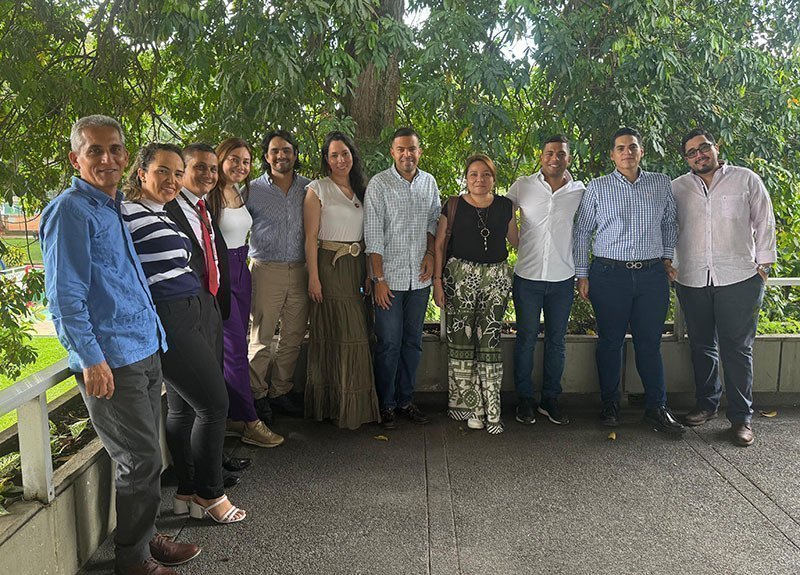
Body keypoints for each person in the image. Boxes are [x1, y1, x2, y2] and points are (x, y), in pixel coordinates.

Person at [40, 115, 200, 575]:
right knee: (140, 459)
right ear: (76, 159)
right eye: (95, 150)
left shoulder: (112, 207)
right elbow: (65, 298)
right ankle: (132, 559)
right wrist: (91, 359)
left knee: (146, 456)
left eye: (114, 149)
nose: (107, 158)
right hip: (112, 359)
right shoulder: (70, 211)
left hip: (144, 347)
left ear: (126, 157)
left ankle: (145, 539)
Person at [122, 142, 246, 524]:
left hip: (193, 307)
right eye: (163, 171)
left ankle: (188, 492)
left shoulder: (159, 211)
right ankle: (210, 495)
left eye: (177, 173)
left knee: (188, 405)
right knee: (214, 404)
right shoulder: (124, 213)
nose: (172, 180)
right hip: (169, 315)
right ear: (141, 172)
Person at [573, 127, 685, 435]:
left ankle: (657, 408)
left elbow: (670, 223)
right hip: (609, 275)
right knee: (610, 342)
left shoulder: (660, 183)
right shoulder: (598, 187)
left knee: (649, 343)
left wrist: (667, 258)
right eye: (621, 148)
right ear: (612, 155)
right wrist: (582, 274)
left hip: (652, 275)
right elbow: (582, 232)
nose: (627, 152)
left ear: (641, 151)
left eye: (632, 147)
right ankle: (610, 404)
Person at [670, 128, 776, 446]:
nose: (699, 155)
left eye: (703, 148)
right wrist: (669, 263)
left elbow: (764, 220)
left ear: (716, 147)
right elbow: (667, 227)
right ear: (686, 158)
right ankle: (706, 405)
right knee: (701, 345)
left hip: (739, 278)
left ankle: (742, 419)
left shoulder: (745, 179)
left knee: (737, 349)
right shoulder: (677, 188)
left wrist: (764, 265)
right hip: (692, 278)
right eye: (691, 152)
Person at [203, 139, 285, 447]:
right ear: (220, 159)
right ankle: (250, 421)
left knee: (237, 345)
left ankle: (233, 417)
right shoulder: (208, 197)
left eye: (246, 161)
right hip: (222, 272)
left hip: (242, 270)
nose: (240, 166)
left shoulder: (239, 191)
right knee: (234, 349)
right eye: (234, 159)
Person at [433, 154, 518, 434]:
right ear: (466, 178)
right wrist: (437, 281)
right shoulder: (453, 205)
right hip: (459, 280)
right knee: (461, 341)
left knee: (490, 342)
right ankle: (472, 406)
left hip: (496, 280)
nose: (479, 179)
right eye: (473, 174)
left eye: (485, 174)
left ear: (493, 178)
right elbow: (439, 246)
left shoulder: (505, 206)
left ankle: (492, 409)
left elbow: (517, 240)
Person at [303, 131, 381, 429]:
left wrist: (370, 273)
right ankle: (335, 406)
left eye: (344, 153)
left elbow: (369, 234)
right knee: (341, 333)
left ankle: (353, 407)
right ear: (326, 159)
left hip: (357, 266)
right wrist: (313, 277)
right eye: (334, 155)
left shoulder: (362, 190)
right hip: (329, 267)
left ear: (353, 155)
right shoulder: (317, 189)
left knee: (357, 334)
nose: (340, 160)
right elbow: (310, 238)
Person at [364, 127, 441, 430]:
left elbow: (434, 222)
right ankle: (385, 404)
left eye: (412, 149)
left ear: (419, 151)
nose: (407, 154)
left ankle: (405, 400)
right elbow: (373, 234)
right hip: (390, 280)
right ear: (392, 152)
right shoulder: (379, 184)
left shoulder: (429, 182)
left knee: (412, 342)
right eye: (401, 149)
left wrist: (431, 254)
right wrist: (378, 279)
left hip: (419, 280)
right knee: (388, 343)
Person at [508, 135, 586, 426]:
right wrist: (515, 239)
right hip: (527, 277)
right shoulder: (523, 185)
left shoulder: (579, 191)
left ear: (568, 158)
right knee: (526, 339)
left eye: (561, 154)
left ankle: (550, 399)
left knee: (556, 341)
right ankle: (525, 400)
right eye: (550, 153)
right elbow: (503, 208)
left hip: (562, 278)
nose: (555, 158)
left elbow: (585, 228)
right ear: (541, 157)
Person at [247, 129, 310, 419]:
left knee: (293, 337)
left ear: (295, 154)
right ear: (266, 156)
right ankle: (256, 395)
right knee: (261, 337)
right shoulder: (251, 190)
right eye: (275, 151)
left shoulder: (309, 188)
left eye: (286, 150)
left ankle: (281, 391)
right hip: (265, 270)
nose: (281, 155)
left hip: (301, 270)